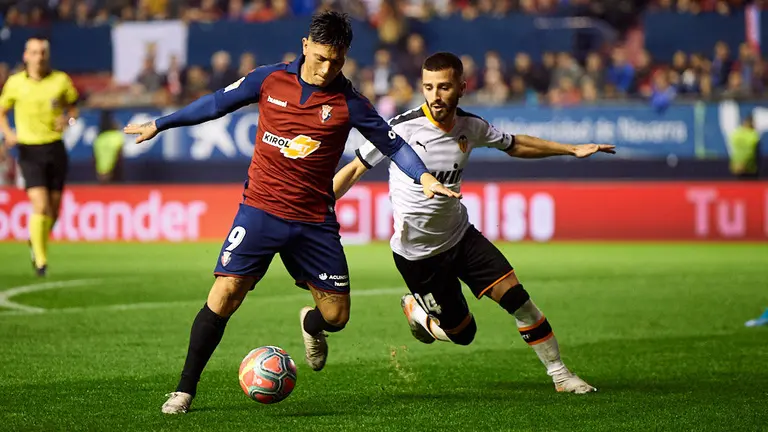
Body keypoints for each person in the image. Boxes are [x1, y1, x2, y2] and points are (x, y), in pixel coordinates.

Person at [123, 12, 460, 414]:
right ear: (305, 46)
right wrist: (159, 124)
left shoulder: (349, 102)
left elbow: (394, 144)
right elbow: (216, 104)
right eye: (320, 58)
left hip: (314, 222)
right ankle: (184, 390)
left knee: (336, 316)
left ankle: (310, 324)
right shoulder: (269, 80)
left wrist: (421, 176)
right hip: (260, 212)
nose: (327, 68)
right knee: (225, 294)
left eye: (337, 61)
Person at [334, 52, 615, 394]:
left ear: (462, 88)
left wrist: (571, 149)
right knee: (463, 334)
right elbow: (354, 170)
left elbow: (515, 144)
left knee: (519, 300)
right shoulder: (401, 129)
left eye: (444, 87)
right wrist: (314, 206)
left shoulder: (471, 126)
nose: (436, 95)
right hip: (418, 256)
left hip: (461, 237)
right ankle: (419, 312)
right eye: (429, 87)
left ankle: (560, 375)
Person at [0, 36, 79, 276]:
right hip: (28, 149)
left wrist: (68, 119)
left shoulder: (60, 80)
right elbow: (2, 111)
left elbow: (73, 108)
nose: (39, 57)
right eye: (34, 52)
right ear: (26, 56)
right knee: (40, 204)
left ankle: (36, 241)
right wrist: (8, 133)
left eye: (42, 52)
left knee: (53, 211)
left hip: (55, 147)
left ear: (48, 55)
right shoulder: (15, 84)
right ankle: (41, 261)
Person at [728, 114, 760, 179]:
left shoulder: (736, 133)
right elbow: (750, 152)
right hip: (748, 168)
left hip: (736, 166)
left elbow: (735, 151)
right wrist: (743, 164)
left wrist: (736, 164)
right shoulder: (753, 135)